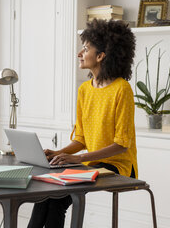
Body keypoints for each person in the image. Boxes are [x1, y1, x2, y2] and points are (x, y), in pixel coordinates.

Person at [27, 19, 137, 228]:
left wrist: (78, 158)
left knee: (57, 200)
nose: (79, 53)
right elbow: (81, 138)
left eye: (85, 48)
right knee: (44, 196)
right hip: (89, 163)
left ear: (101, 56)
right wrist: (59, 153)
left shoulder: (122, 89)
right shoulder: (85, 90)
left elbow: (122, 144)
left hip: (117, 165)